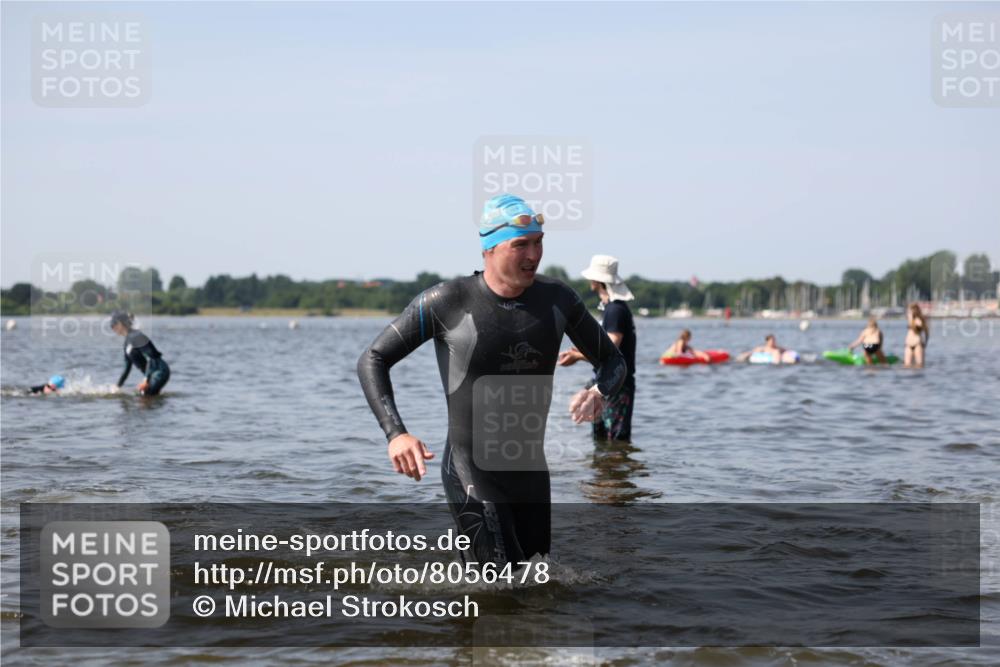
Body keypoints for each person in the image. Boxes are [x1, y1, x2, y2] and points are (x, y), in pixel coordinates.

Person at [357, 194, 626, 566]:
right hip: (471, 469)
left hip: (530, 473)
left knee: (535, 584)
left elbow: (614, 363)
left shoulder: (558, 300)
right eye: (520, 245)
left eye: (538, 243)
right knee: (505, 585)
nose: (533, 255)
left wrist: (598, 391)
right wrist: (396, 433)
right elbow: (373, 358)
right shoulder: (447, 301)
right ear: (489, 249)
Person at [558, 255, 636, 442]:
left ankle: (614, 469)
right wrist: (577, 353)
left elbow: (611, 350)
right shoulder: (610, 308)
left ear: (598, 281)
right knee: (601, 438)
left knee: (615, 438)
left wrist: (577, 356)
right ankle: (603, 470)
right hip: (604, 381)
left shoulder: (616, 310)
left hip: (617, 382)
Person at [110, 311, 171, 396]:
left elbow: (150, 357)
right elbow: (127, 368)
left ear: (120, 323)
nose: (112, 328)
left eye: (113, 324)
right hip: (151, 374)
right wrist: (117, 387)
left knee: (145, 399)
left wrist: (146, 379)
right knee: (145, 398)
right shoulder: (126, 343)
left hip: (159, 370)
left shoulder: (137, 336)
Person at [904, 303, 929, 368]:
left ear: (913, 311)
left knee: (919, 365)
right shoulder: (910, 320)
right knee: (907, 365)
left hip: (917, 345)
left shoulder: (918, 320)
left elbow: (921, 330)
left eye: (909, 311)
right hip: (908, 345)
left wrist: (911, 319)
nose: (907, 313)